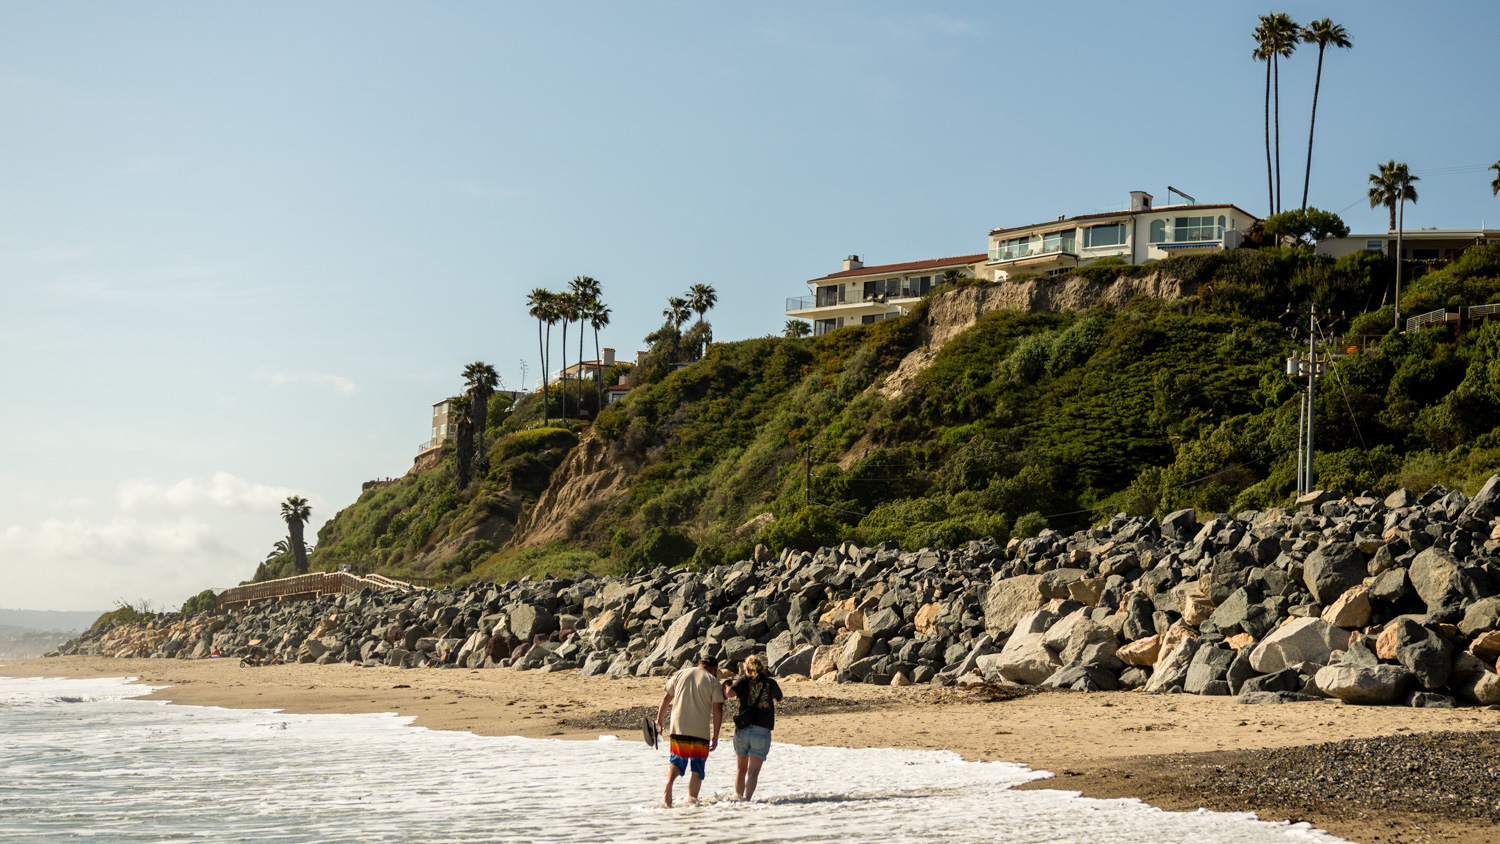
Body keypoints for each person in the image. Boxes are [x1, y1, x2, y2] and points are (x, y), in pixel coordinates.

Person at [655, 653, 725, 808]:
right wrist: (715, 736)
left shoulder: (680, 674)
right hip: (700, 731)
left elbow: (665, 699)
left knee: (676, 761)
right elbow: (718, 710)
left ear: (699, 664)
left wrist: (659, 724)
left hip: (678, 728)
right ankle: (692, 802)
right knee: (697, 767)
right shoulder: (712, 681)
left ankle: (669, 783)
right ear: (713, 669)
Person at [724, 654, 783, 801]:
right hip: (762, 730)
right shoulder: (770, 683)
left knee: (740, 770)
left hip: (743, 728)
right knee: (753, 773)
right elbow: (780, 698)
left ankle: (738, 798)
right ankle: (747, 801)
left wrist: (725, 684)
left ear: (747, 669)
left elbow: (730, 694)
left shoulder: (744, 680)